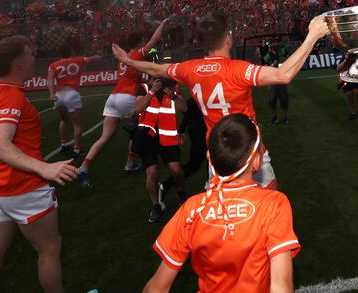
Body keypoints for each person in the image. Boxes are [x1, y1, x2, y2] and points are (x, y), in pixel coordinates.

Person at [112, 13, 328, 189]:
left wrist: (127, 60)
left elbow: (154, 68)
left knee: (222, 203)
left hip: (217, 149)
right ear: (228, 38)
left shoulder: (190, 68)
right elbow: (283, 75)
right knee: (269, 192)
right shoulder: (238, 69)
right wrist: (312, 36)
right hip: (249, 146)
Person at [0, 36, 78, 293]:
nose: (34, 56)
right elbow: (1, 144)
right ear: (19, 62)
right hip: (24, 189)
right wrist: (44, 167)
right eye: (30, 53)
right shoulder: (12, 97)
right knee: (49, 249)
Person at [142, 114, 299, 293]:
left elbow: (156, 288)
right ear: (256, 161)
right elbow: (281, 286)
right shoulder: (274, 204)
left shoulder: (192, 208)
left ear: (210, 159)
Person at [78, 20, 168, 188]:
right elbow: (154, 40)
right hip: (127, 97)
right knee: (141, 130)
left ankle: (83, 168)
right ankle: (137, 163)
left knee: (104, 138)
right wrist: (163, 24)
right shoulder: (137, 55)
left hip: (113, 97)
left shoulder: (123, 58)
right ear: (140, 42)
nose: (145, 42)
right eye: (143, 40)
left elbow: (132, 75)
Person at [133, 77, 186, 223]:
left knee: (176, 170)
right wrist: (151, 92)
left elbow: (184, 108)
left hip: (167, 136)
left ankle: (179, 191)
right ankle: (156, 205)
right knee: (152, 171)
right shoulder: (143, 88)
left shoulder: (172, 88)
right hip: (148, 137)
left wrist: (173, 95)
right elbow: (137, 109)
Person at [47, 46, 101, 158]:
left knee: (63, 120)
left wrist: (52, 94)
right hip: (72, 94)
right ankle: (76, 150)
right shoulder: (78, 59)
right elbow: (91, 59)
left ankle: (63, 144)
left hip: (59, 95)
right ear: (71, 51)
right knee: (77, 125)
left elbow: (50, 80)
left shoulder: (53, 65)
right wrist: (99, 56)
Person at [158, 97, 207, 208]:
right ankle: (211, 186)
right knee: (205, 161)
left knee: (195, 164)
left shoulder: (198, 94)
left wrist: (182, 128)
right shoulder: (201, 94)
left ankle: (165, 185)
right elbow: (189, 110)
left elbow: (189, 111)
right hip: (202, 129)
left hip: (199, 128)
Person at [265, 44, 289, 125]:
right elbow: (264, 66)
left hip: (281, 79)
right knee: (271, 100)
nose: (275, 45)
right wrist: (272, 65)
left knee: (284, 100)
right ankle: (274, 117)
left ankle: (285, 117)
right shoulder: (267, 55)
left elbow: (287, 61)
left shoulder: (283, 51)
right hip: (272, 79)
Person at [337, 54, 358, 120]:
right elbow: (338, 69)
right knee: (348, 94)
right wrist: (345, 60)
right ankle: (353, 113)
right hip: (347, 77)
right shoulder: (345, 55)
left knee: (356, 91)